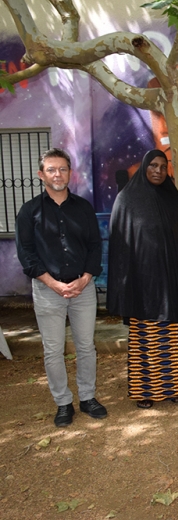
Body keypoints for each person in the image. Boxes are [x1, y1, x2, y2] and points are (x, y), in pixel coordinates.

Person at [107, 149, 178, 409]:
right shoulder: (127, 199)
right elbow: (119, 247)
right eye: (153, 165)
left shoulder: (174, 200)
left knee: (175, 336)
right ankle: (146, 391)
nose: (158, 171)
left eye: (163, 166)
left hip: (174, 281)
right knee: (148, 338)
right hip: (144, 284)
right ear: (144, 167)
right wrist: (126, 285)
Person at [15, 148, 106, 427]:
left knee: (86, 346)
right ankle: (63, 402)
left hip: (83, 288)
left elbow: (94, 245)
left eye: (63, 169)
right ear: (41, 174)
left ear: (71, 173)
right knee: (53, 350)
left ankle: (88, 397)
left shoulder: (83, 208)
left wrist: (86, 277)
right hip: (47, 290)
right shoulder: (29, 211)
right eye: (52, 169)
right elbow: (26, 253)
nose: (58, 174)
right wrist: (52, 283)